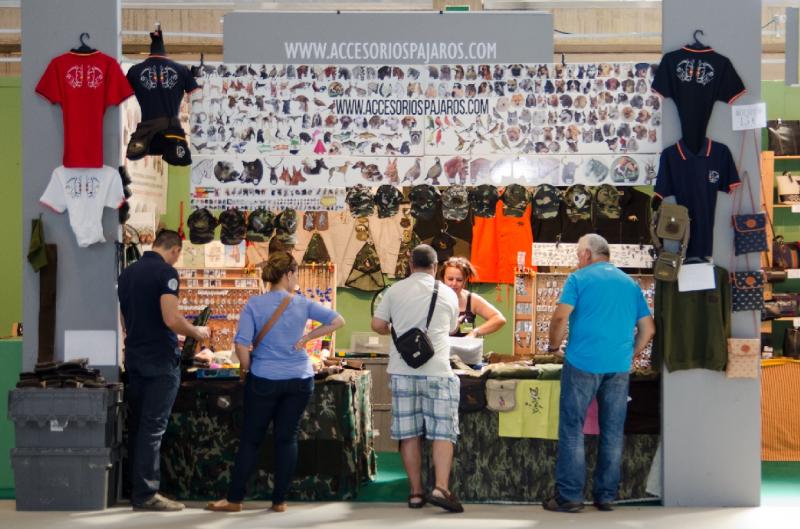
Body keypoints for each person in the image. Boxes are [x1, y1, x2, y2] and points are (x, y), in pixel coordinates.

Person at [206, 251, 345, 513]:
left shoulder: (254, 305)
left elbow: (241, 343)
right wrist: (306, 339)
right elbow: (338, 320)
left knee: (251, 440)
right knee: (287, 438)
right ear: (289, 274)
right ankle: (279, 500)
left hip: (265, 378)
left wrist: (247, 369)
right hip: (300, 379)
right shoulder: (303, 304)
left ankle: (235, 499)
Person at [544, 234, 655, 513]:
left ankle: (570, 497)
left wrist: (554, 346)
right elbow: (648, 329)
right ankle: (605, 496)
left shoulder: (578, 279)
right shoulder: (630, 284)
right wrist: (630, 354)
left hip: (582, 361)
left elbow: (560, 316)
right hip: (617, 366)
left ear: (586, 255)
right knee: (613, 431)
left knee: (572, 429)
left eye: (578, 254)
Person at [118, 229, 212, 511]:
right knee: (153, 428)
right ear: (175, 250)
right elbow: (171, 318)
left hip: (134, 356)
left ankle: (134, 490)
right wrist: (197, 330)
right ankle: (147, 494)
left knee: (137, 427)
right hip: (160, 359)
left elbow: (125, 320)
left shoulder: (127, 274)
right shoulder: (166, 274)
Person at [371, 244, 464, 513]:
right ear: (436, 267)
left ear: (410, 265)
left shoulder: (394, 290)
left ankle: (415, 492)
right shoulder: (447, 292)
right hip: (438, 371)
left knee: (409, 434)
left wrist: (397, 329)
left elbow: (377, 325)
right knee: (442, 432)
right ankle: (441, 488)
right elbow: (451, 328)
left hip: (402, 370)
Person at [440, 256, 506, 338]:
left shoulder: (471, 300)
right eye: (450, 279)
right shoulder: (435, 298)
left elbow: (499, 319)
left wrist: (475, 332)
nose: (454, 283)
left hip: (465, 349)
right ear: (443, 279)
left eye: (459, 280)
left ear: (465, 280)